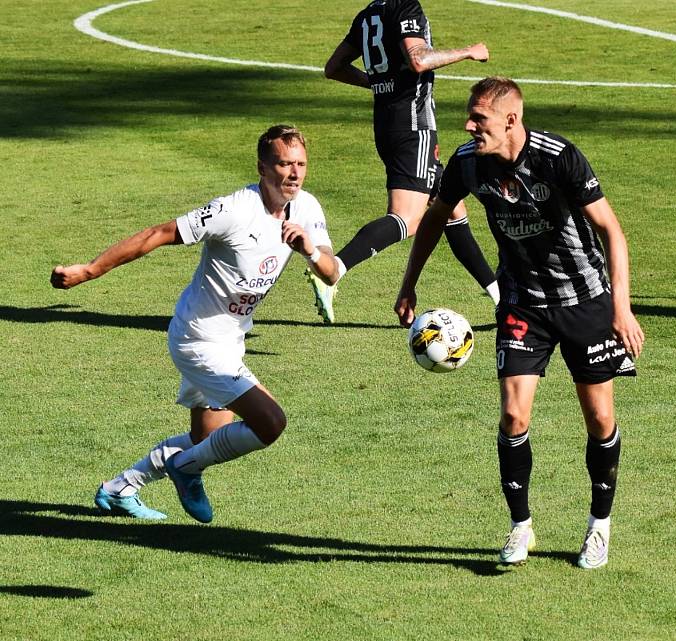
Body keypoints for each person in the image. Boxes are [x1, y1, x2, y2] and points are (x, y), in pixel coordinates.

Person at [395, 77, 645, 569]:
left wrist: (621, 307)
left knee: (599, 419)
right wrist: (409, 282)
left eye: (479, 119)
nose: (469, 126)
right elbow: (434, 216)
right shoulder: (468, 162)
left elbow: (611, 230)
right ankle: (520, 526)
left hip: (585, 301)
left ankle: (599, 526)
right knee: (514, 416)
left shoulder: (559, 158)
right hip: (522, 303)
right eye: (470, 117)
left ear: (511, 121)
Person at [50, 125, 339, 523]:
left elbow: (332, 273)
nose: (294, 173)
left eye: (301, 164)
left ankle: (121, 487)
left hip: (232, 337)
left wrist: (308, 249)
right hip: (198, 340)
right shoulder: (233, 210)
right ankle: (185, 469)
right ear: (262, 166)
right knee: (270, 422)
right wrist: (89, 271)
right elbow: (159, 234)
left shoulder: (307, 208)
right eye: (284, 163)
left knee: (207, 439)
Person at [306, 0, 499, 324]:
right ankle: (334, 269)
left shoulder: (368, 14)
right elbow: (419, 60)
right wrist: (468, 51)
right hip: (415, 128)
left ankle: (499, 294)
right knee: (406, 218)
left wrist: (378, 82)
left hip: (387, 124)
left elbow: (334, 67)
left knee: (451, 206)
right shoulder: (405, 7)